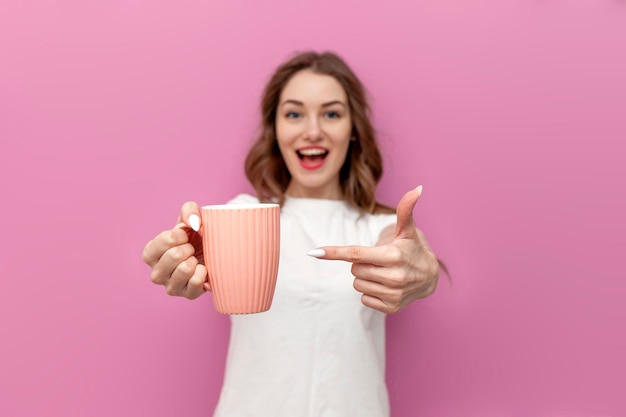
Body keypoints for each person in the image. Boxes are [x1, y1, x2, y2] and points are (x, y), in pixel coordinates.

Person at [141, 51, 441, 417]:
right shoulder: (241, 215)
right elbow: (193, 242)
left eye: (331, 113)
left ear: (353, 133)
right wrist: (183, 254)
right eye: (294, 114)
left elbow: (411, 254)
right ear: (276, 130)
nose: (312, 130)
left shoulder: (379, 228)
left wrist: (424, 271)